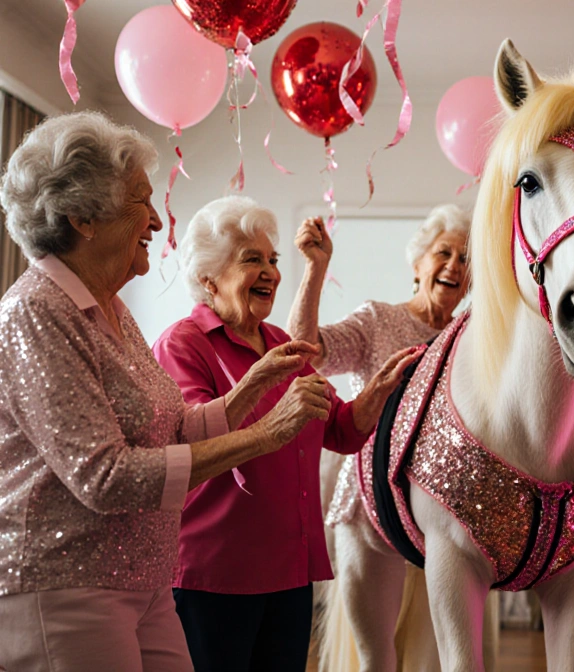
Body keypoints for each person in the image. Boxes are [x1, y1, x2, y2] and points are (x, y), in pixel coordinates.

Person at [0, 112, 327, 671]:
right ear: (82, 216)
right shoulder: (36, 309)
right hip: (66, 583)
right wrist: (267, 431)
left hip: (145, 579)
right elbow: (105, 476)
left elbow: (171, 430)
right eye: (140, 201)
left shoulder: (114, 311)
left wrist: (252, 385)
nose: (157, 220)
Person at [153, 196, 422, 671]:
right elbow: (191, 446)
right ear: (208, 279)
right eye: (251, 259)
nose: (271, 272)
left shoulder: (280, 342)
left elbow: (338, 429)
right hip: (217, 574)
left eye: (273, 260)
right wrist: (271, 421)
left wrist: (378, 391)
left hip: (290, 572)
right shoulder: (183, 344)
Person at [287, 205, 500, 671]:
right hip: (369, 509)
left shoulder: (477, 339)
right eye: (443, 252)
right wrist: (316, 268)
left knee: (440, 660)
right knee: (376, 658)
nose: (454, 266)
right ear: (418, 263)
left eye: (466, 259)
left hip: (451, 518)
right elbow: (303, 351)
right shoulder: (378, 320)